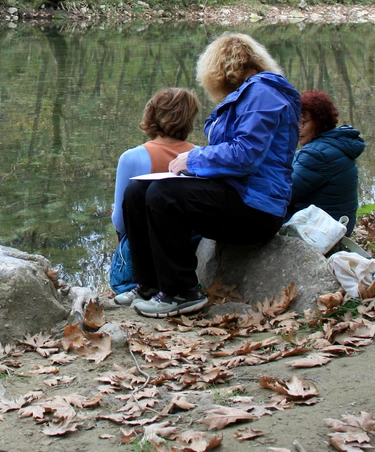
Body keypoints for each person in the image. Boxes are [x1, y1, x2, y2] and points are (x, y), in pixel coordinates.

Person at [120, 33, 300, 318]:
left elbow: (245, 154)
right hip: (237, 196)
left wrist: (193, 158)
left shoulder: (262, 93)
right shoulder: (248, 95)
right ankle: (150, 284)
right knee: (137, 192)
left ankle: (182, 292)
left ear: (220, 68)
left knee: (165, 195)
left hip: (258, 208)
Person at [109, 88, 200, 304]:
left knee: (130, 209)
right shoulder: (200, 154)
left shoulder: (131, 157)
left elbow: (121, 222)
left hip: (155, 246)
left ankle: (145, 284)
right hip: (192, 244)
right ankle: (151, 285)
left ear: (152, 115)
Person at [288, 89, 365, 235]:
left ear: (320, 122)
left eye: (303, 122)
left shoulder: (318, 154)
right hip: (332, 225)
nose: (298, 129)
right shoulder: (334, 144)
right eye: (296, 122)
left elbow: (284, 193)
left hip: (320, 231)